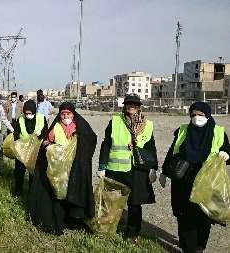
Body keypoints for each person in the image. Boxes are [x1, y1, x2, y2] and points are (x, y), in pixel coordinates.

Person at [159, 101, 230, 253]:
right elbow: (172, 152)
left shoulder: (218, 132)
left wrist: (226, 154)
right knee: (184, 216)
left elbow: (227, 151)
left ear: (208, 116)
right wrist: (164, 172)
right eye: (193, 115)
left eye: (201, 115)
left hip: (207, 182)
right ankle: (189, 248)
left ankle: (200, 245)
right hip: (184, 180)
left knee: (204, 216)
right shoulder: (183, 130)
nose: (197, 118)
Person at [28, 101, 97, 235]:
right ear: (60, 114)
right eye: (63, 114)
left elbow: (91, 139)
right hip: (58, 169)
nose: (65, 116)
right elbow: (46, 142)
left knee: (72, 192)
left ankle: (73, 220)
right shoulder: (56, 127)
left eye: (68, 113)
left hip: (74, 168)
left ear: (73, 114)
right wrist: (49, 146)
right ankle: (58, 221)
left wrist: (79, 141)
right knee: (58, 195)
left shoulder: (80, 125)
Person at [98, 94, 158, 242]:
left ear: (139, 107)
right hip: (116, 169)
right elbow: (106, 144)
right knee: (112, 202)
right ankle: (107, 228)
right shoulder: (115, 121)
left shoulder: (147, 124)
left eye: (135, 104)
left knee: (134, 204)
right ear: (124, 106)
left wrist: (153, 168)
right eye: (129, 104)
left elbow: (151, 148)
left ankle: (132, 233)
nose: (132, 106)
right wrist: (102, 166)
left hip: (137, 170)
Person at [12, 100, 48, 197]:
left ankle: (32, 194)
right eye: (26, 113)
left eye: (30, 113)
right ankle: (18, 193)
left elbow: (46, 132)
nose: (28, 115)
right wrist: (18, 145)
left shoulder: (41, 118)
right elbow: (16, 134)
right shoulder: (20, 119)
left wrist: (41, 135)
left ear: (34, 112)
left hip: (35, 152)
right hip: (22, 151)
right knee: (19, 173)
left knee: (34, 174)